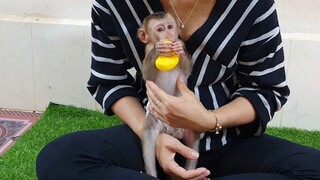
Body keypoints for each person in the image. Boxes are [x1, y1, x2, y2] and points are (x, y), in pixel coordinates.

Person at [36, 0, 320, 179]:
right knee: (60, 158)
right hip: (150, 137)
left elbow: (267, 88)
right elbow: (109, 80)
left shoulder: (251, 5)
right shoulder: (114, 5)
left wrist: (209, 120)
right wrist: (154, 139)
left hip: (226, 140)